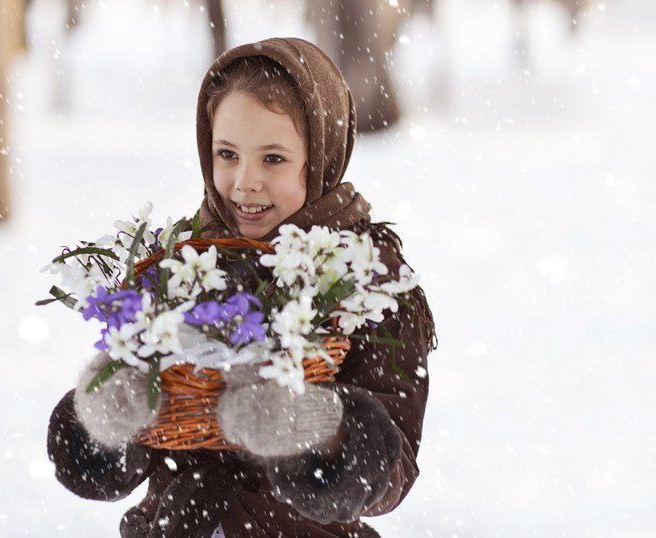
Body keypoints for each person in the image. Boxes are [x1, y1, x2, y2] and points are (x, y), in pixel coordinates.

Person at [47, 37, 437, 537]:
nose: (244, 181)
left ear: (320, 153)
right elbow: (123, 459)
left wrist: (317, 427)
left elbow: (393, 470)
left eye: (273, 158)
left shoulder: (367, 278)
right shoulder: (183, 261)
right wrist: (104, 420)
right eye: (227, 153)